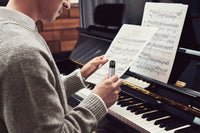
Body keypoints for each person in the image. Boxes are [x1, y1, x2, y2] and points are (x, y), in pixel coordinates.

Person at [0, 0, 123, 132]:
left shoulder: (8, 30)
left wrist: (80, 77)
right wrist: (99, 100)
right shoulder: (24, 52)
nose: (67, 4)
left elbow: (33, 102)